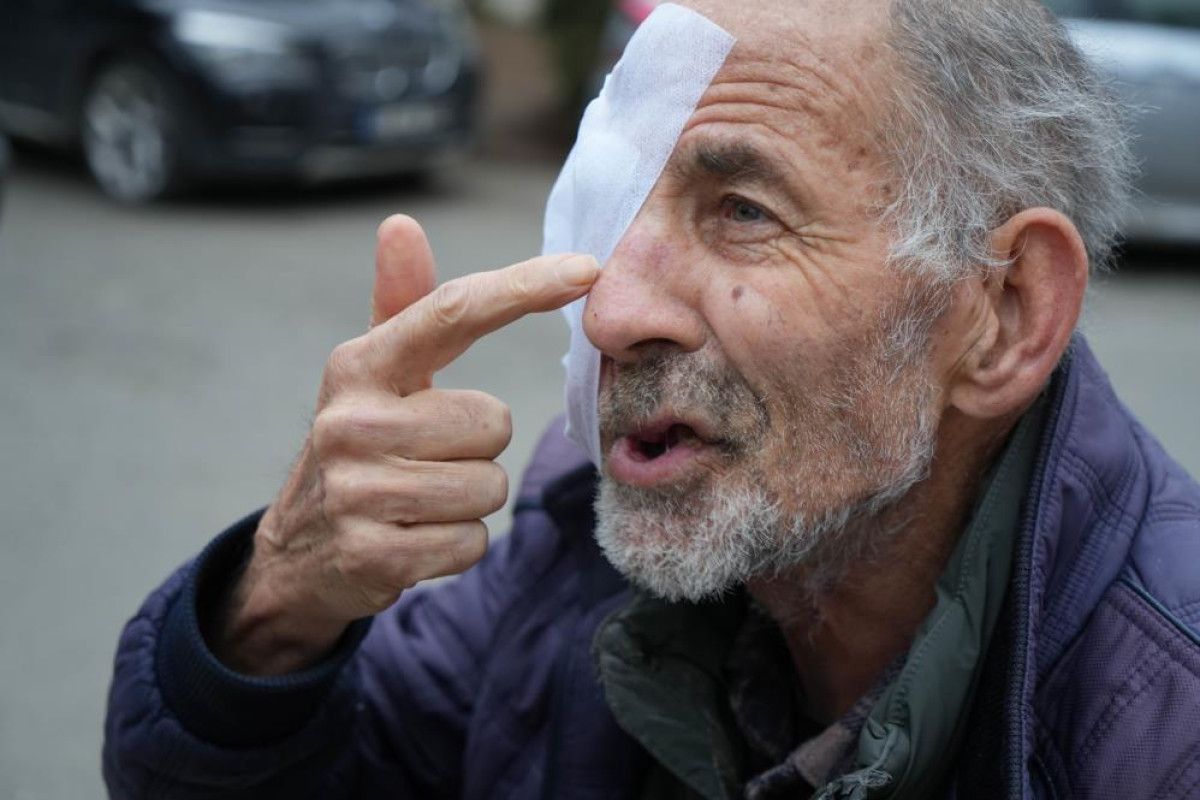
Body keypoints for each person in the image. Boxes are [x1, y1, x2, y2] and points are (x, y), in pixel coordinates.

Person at [103, 0, 1200, 798]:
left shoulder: (1162, 730)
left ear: (1003, 312)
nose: (609, 311)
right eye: (618, 197)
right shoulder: (575, 549)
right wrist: (280, 603)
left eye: (744, 211)